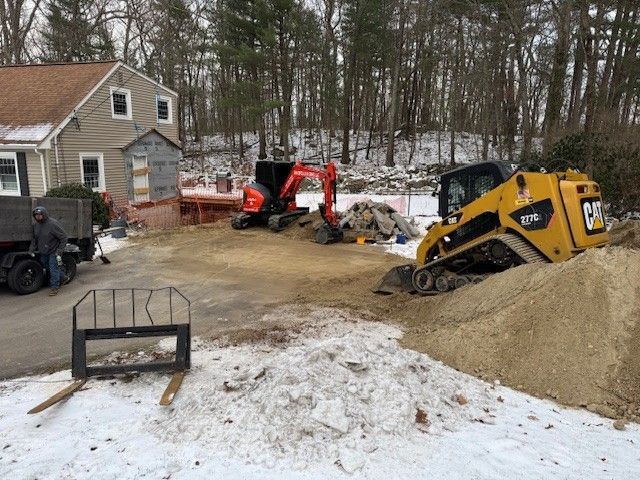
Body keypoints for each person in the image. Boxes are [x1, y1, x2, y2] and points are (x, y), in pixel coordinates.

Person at [28, 206, 68, 296]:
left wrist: (60, 250)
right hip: (44, 251)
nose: (38, 216)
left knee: (53, 268)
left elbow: (64, 237)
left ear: (44, 214)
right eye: (36, 215)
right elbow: (34, 239)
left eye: (40, 215)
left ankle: (54, 287)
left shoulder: (52, 224)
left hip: (54, 251)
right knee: (48, 266)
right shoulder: (35, 225)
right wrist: (31, 250)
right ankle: (64, 277)